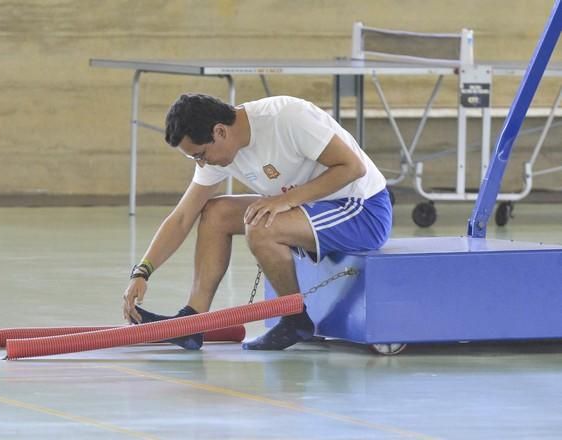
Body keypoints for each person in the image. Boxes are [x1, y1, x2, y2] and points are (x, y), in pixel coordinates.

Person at [122, 94, 392, 350]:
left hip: (361, 208)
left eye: (200, 155)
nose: (202, 164)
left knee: (261, 226)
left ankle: (294, 319)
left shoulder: (287, 118)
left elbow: (353, 167)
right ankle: (192, 321)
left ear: (220, 131)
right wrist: (142, 271)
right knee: (216, 213)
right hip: (308, 206)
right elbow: (182, 217)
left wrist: (284, 201)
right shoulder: (217, 152)